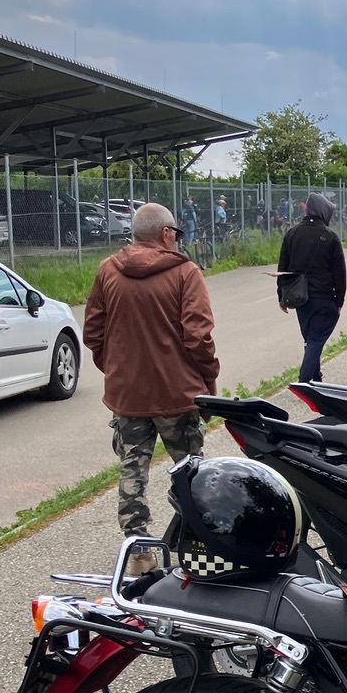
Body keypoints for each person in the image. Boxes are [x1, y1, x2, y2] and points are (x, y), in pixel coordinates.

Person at [82, 202, 219, 574]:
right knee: (191, 472)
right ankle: (198, 544)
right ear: (166, 234)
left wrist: (118, 368)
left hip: (128, 395)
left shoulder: (108, 271)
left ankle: (139, 553)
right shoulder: (186, 273)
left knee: (132, 470)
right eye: (176, 233)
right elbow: (198, 337)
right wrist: (208, 379)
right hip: (178, 394)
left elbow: (93, 333)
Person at [276, 192, 346, 382]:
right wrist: (340, 300)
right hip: (324, 298)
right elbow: (339, 274)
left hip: (300, 298)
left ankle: (315, 379)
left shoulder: (292, 233)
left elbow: (282, 268)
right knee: (315, 340)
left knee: (310, 340)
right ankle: (305, 380)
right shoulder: (330, 237)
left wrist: (281, 295)